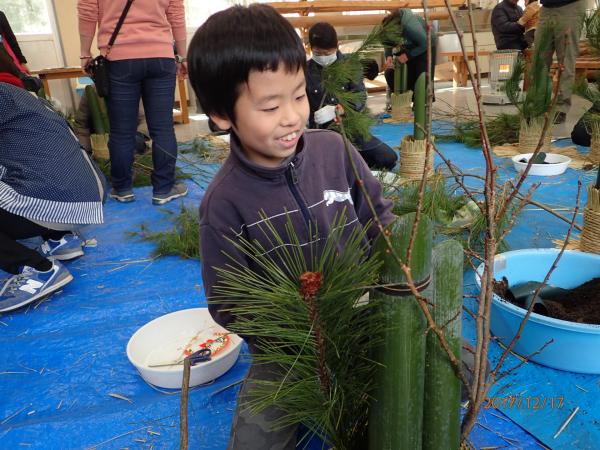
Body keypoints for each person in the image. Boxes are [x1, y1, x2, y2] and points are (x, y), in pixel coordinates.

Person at [187, 5, 395, 449]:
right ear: (221, 114)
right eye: (270, 105)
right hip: (288, 351)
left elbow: (380, 219)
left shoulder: (335, 151)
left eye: (299, 96)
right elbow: (227, 302)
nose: (292, 117)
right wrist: (294, 325)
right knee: (254, 441)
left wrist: (397, 276)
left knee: (450, 364)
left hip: (365, 315)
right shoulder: (223, 204)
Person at [0, 82, 106, 313]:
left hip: (54, 200)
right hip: (91, 193)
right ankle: (60, 238)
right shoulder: (17, 93)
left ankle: (36, 269)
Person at [77, 0, 188, 205]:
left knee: (122, 132)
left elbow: (87, 11)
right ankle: (164, 189)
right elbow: (176, 13)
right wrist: (183, 56)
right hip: (161, 56)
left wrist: (85, 52)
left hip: (119, 58)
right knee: (163, 129)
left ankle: (122, 189)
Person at [306, 22, 398, 171]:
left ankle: (352, 162)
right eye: (318, 53)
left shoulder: (350, 64)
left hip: (351, 129)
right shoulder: (305, 71)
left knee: (388, 158)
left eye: (327, 53)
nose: (323, 57)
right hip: (320, 133)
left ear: (337, 46)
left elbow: (359, 97)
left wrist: (338, 109)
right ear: (310, 48)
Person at [535, 0, 586, 124]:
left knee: (566, 62)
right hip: (546, 8)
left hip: (570, 6)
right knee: (539, 61)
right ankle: (537, 103)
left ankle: (561, 107)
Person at [382, 8, 437, 102]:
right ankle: (405, 101)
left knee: (421, 76)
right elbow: (387, 40)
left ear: (399, 28)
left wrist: (408, 55)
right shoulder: (389, 25)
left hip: (426, 45)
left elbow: (425, 43)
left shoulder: (410, 26)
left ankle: (421, 102)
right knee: (391, 73)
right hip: (411, 45)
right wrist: (389, 55)